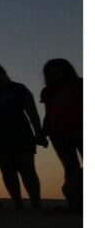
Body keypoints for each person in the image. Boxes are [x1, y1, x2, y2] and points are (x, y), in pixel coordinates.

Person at [0, 63, 46, 210]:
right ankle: (18, 203)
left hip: (20, 132)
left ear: (2, 72)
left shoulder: (19, 88)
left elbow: (32, 112)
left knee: (27, 168)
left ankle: (36, 203)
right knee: (7, 170)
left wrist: (39, 133)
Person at [40, 58, 82, 209]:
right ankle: (75, 202)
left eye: (59, 70)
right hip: (59, 134)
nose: (56, 74)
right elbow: (49, 114)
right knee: (70, 167)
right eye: (51, 72)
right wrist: (42, 134)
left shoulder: (81, 85)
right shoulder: (48, 91)